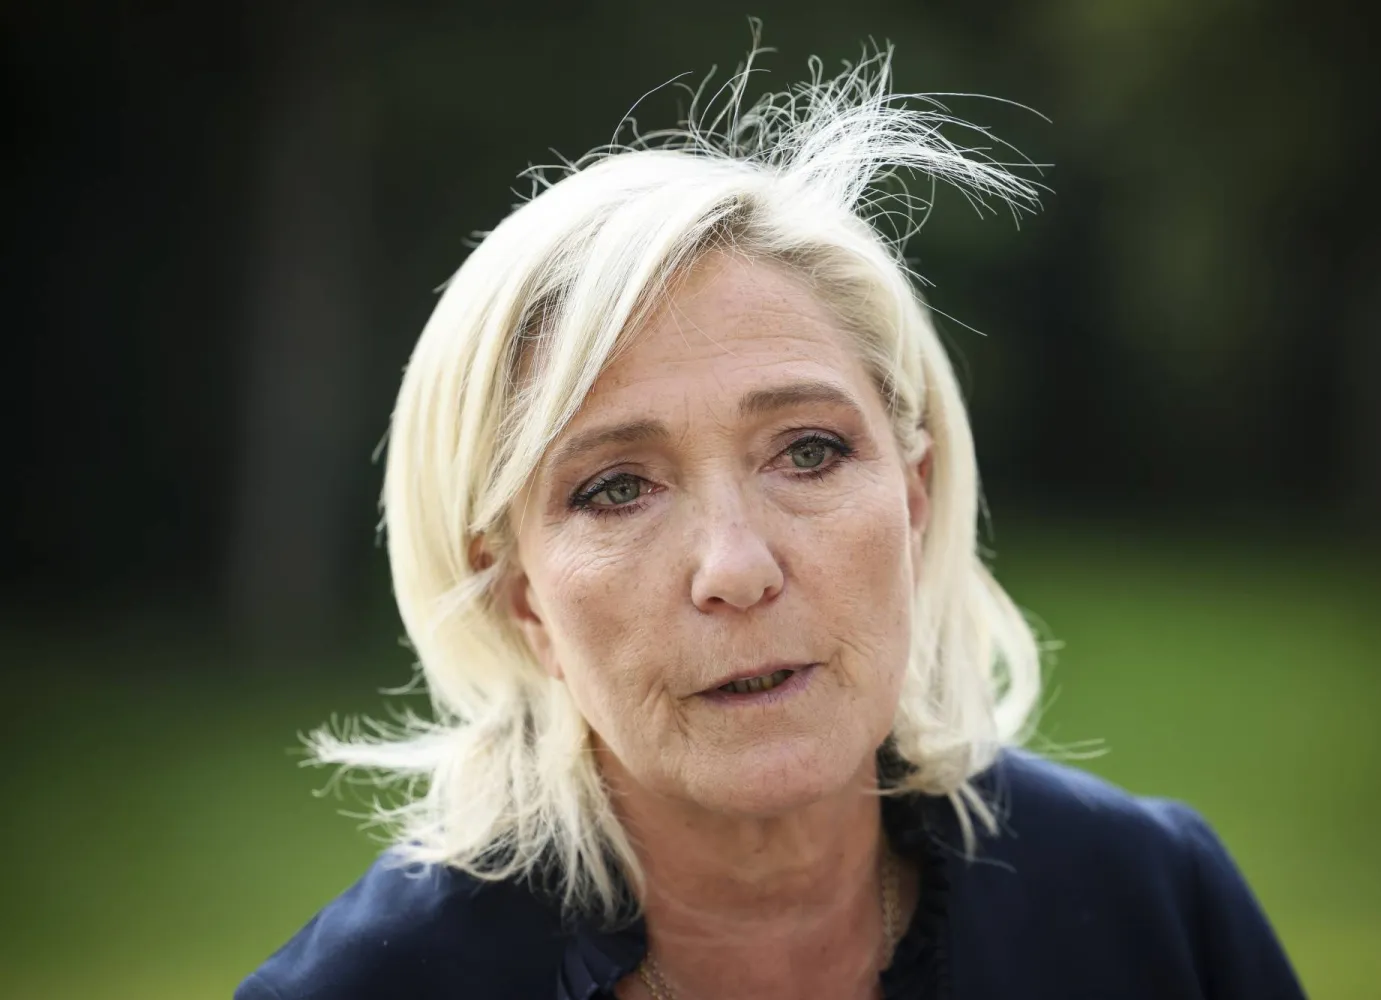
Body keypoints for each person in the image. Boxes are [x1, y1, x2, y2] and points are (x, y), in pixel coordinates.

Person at [236, 42, 1305, 1000]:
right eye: (617, 487)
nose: (737, 568)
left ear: (915, 495)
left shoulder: (1157, 910)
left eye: (809, 451)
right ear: (521, 595)